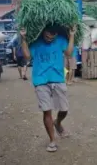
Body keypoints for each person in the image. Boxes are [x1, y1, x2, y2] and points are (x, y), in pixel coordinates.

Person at [21, 24, 76, 152]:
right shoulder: (36, 42)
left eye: (52, 37)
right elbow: (28, 57)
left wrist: (72, 35)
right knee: (47, 110)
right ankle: (52, 141)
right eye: (47, 36)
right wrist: (23, 39)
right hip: (40, 80)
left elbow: (68, 53)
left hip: (58, 78)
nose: (49, 39)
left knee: (64, 109)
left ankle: (58, 123)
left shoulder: (61, 40)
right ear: (43, 31)